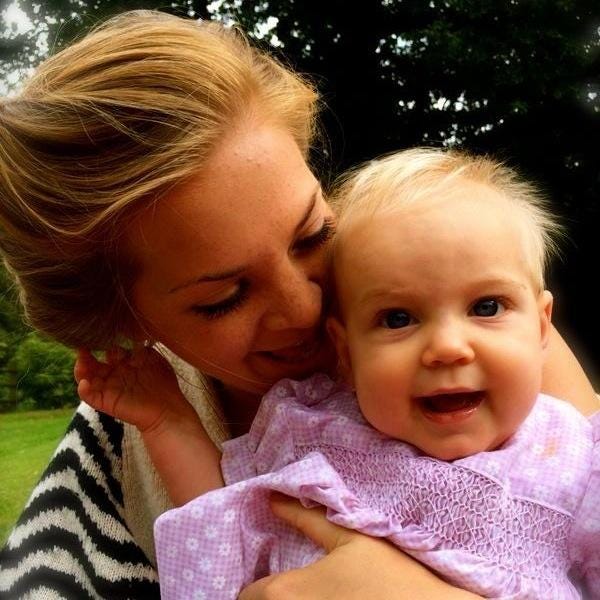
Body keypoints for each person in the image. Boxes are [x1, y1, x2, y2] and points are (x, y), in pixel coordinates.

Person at [0, 9, 596, 600]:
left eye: (312, 235)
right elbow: (219, 529)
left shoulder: (470, 316)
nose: (307, 309)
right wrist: (171, 424)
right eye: (224, 298)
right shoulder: (128, 456)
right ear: (125, 322)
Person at [78, 148, 598, 598]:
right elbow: (222, 519)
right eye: (398, 319)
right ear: (344, 351)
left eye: (486, 307)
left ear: (541, 325)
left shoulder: (577, 459)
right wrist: (170, 423)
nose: (447, 347)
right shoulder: (316, 429)